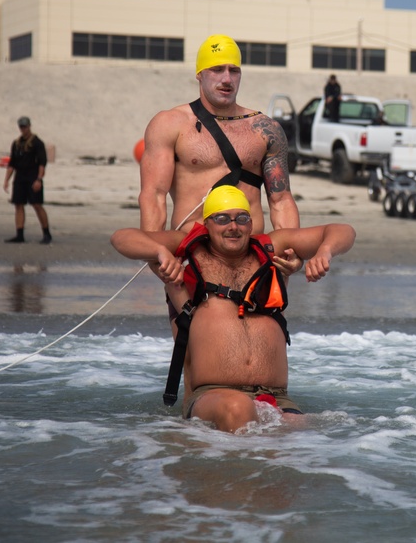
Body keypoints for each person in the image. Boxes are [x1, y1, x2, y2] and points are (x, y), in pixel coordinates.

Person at [111, 185, 356, 433]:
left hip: (277, 398)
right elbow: (121, 238)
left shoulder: (272, 247)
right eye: (222, 219)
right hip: (214, 397)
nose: (233, 227)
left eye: (242, 218)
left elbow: (342, 231)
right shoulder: (188, 249)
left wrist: (325, 251)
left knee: (308, 435)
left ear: (250, 225)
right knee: (238, 409)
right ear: (207, 224)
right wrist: (160, 251)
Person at [139, 33, 300, 237]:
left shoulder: (265, 129)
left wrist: (291, 250)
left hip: (249, 253)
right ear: (199, 74)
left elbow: (282, 200)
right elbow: (153, 196)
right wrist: (156, 250)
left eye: (234, 71)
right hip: (193, 250)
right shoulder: (170, 124)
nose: (227, 79)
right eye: (217, 69)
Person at [3, 116, 52, 244]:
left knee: (37, 205)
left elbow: (42, 163)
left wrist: (39, 180)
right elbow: (12, 164)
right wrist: (6, 180)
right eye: (21, 126)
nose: (23, 129)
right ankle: (19, 234)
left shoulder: (37, 143)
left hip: (32, 177)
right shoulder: (16, 143)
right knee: (18, 204)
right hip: (19, 177)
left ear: (29, 126)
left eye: (25, 126)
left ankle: (46, 233)